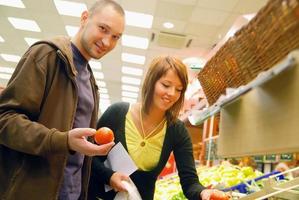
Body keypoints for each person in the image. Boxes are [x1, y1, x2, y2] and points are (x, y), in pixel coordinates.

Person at [0, 0, 125, 200]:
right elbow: (5, 120)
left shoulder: (90, 80)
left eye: (115, 37)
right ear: (85, 18)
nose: (107, 42)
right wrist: (63, 140)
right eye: (103, 29)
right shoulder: (47, 56)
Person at [88, 56, 229, 200]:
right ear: (151, 82)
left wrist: (203, 192)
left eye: (179, 89)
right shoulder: (117, 113)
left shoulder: (177, 131)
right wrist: (109, 176)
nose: (172, 93)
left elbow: (190, 182)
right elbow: (87, 155)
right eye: (166, 85)